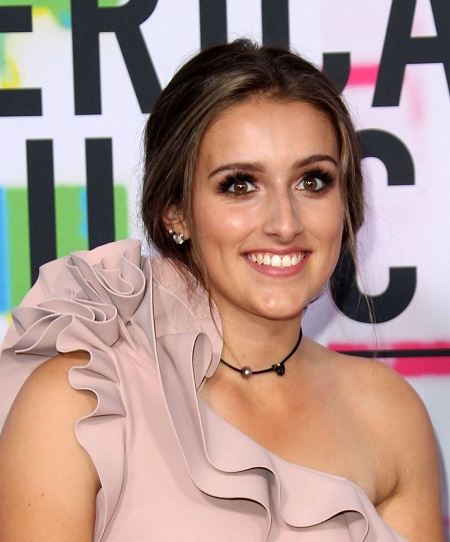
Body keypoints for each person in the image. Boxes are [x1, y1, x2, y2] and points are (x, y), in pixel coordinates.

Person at [0, 40, 444, 542]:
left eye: (312, 181)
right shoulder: (81, 402)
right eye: (239, 185)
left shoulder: (389, 415)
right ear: (175, 212)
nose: (284, 223)